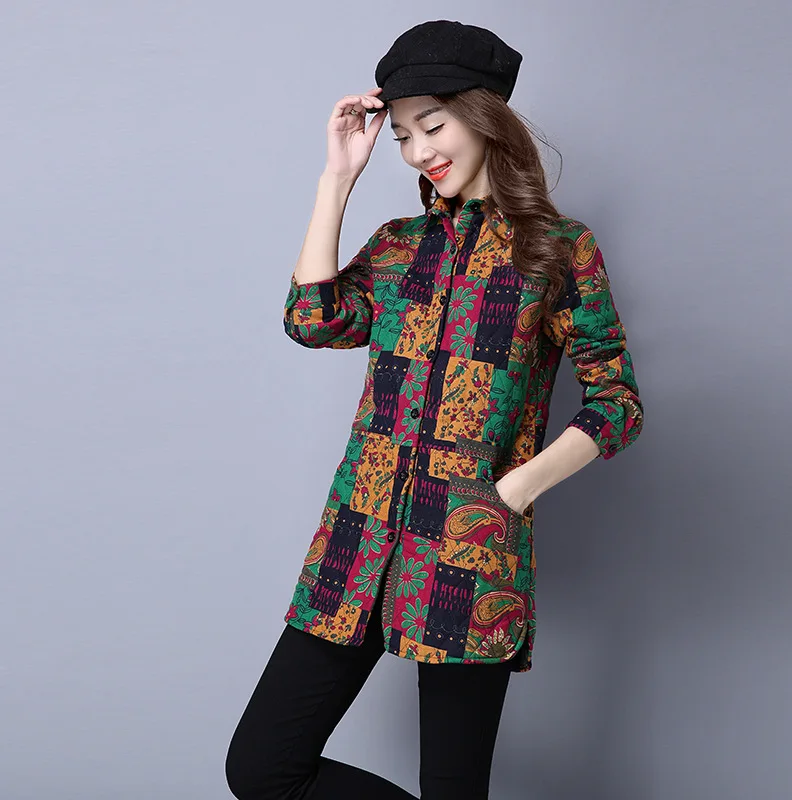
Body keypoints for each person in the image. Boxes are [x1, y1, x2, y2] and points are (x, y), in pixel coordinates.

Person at [225, 19, 644, 800]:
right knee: (261, 768)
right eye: (402, 136)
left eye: (434, 125)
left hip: (467, 558)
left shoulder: (556, 250)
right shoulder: (397, 246)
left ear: (483, 117)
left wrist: (513, 491)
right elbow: (311, 320)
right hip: (354, 545)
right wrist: (336, 181)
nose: (419, 151)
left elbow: (616, 403)